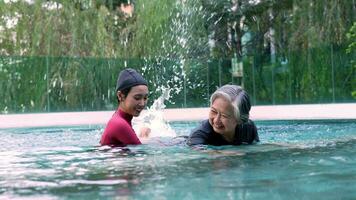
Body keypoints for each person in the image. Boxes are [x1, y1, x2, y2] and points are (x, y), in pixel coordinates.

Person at [187, 84, 259, 146]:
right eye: (213, 111)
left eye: (224, 116)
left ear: (239, 119)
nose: (216, 120)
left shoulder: (248, 129)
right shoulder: (199, 135)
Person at [100, 68, 150, 147]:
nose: (142, 103)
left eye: (145, 98)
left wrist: (142, 137)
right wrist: (146, 138)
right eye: (137, 98)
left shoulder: (119, 119)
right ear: (120, 96)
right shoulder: (119, 124)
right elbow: (142, 152)